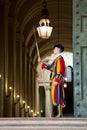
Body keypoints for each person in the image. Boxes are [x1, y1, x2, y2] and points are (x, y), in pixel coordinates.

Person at [38, 44, 66, 117]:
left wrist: (57, 80)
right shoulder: (56, 59)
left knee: (58, 96)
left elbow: (61, 70)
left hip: (57, 80)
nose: (53, 50)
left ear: (58, 50)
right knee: (56, 96)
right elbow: (51, 68)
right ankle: (59, 113)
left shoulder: (60, 59)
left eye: (55, 49)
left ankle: (60, 113)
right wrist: (41, 63)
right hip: (55, 79)